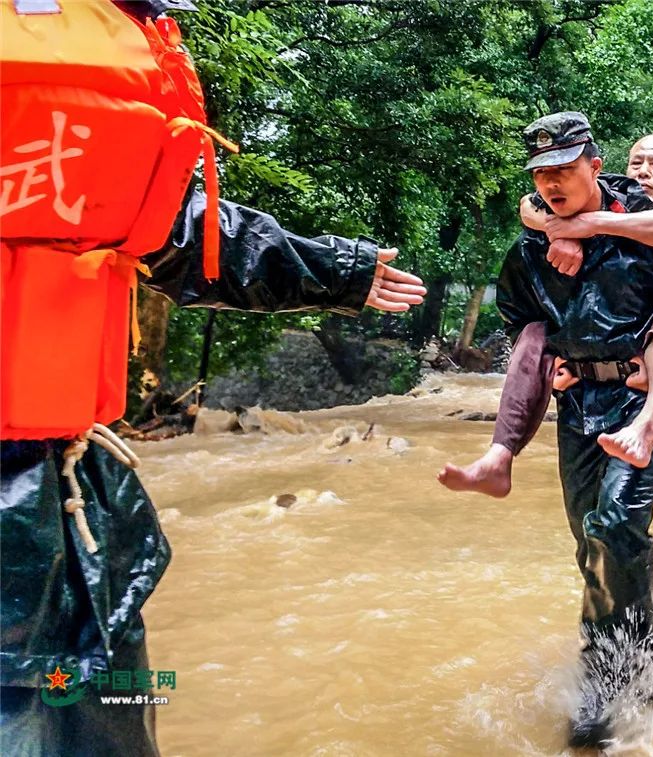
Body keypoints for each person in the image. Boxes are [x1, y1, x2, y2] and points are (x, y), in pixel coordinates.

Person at [0, 2, 425, 753]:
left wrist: (341, 270)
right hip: (36, 490)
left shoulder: (84, 60)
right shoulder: (81, 57)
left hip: (59, 478)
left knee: (97, 697)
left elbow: (176, 226)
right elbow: (182, 228)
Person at [495, 112, 653, 747]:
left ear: (592, 168)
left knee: (614, 525)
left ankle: (603, 682)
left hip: (642, 408)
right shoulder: (535, 241)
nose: (550, 183)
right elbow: (521, 315)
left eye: (563, 169)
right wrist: (550, 364)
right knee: (591, 542)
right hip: (578, 406)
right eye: (541, 174)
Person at [438, 132, 653, 497]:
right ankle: (499, 456)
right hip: (580, 389)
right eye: (637, 163)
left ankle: (648, 425)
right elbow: (529, 212)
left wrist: (586, 226)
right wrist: (558, 229)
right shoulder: (553, 221)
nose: (643, 172)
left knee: (618, 524)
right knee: (588, 532)